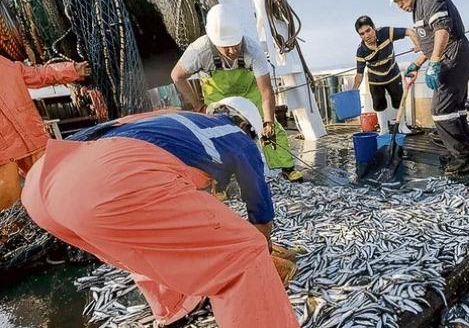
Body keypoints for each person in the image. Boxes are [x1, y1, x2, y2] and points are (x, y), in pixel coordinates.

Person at [21, 97, 299, 328]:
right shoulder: (236, 136)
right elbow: (259, 205)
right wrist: (263, 248)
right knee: (243, 251)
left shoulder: (176, 120)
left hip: (43, 183)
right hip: (108, 179)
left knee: (148, 238)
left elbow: (181, 212)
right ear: (243, 125)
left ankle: (174, 307)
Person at [171, 4, 303, 183]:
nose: (233, 51)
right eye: (226, 47)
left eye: (236, 45)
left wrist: (268, 121)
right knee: (215, 135)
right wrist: (199, 106)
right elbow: (177, 76)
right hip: (218, 97)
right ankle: (218, 181)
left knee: (273, 130)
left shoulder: (252, 49)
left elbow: (265, 91)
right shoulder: (199, 50)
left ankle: (286, 167)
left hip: (250, 93)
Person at [384, 0, 469, 175]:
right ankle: (460, 152)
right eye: (397, 4)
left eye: (400, 0)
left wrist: (434, 64)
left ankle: (462, 158)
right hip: (450, 54)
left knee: (440, 110)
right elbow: (430, 42)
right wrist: (418, 63)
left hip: (454, 53)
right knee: (455, 108)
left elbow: (442, 30)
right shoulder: (418, 8)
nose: (401, 6)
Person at [0, 55, 91, 211]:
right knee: (8, 207)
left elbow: (37, 74)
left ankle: (70, 223)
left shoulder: (5, 65)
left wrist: (72, 70)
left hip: (33, 137)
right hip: (5, 153)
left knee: (55, 188)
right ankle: (11, 235)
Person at [352, 15, 420, 136]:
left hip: (392, 74)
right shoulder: (361, 51)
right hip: (375, 79)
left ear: (374, 28)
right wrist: (353, 91)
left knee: (398, 100)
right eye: (362, 34)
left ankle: (402, 126)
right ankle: (383, 129)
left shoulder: (387, 32)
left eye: (368, 30)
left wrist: (417, 44)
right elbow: (359, 74)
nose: (366, 35)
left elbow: (409, 31)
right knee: (378, 104)